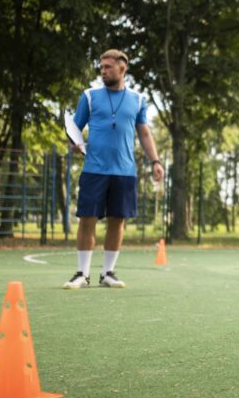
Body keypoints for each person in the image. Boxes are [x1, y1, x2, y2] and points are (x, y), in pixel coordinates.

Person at [63, 49, 164, 289]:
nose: (103, 71)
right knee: (87, 219)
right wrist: (74, 144)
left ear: (122, 68)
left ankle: (108, 273)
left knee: (117, 221)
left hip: (125, 171)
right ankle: (82, 274)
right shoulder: (89, 96)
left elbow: (144, 133)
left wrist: (156, 161)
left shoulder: (138, 100)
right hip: (94, 169)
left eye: (108, 67)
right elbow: (73, 129)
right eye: (101, 67)